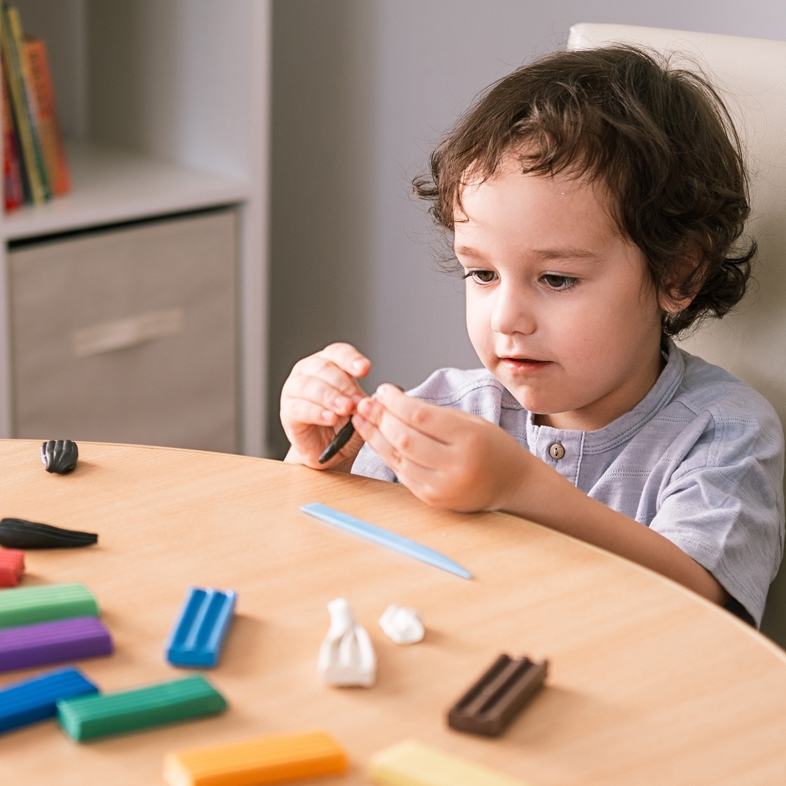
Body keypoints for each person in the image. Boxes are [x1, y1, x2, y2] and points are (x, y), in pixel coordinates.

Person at [280, 45, 784, 627]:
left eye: (556, 278)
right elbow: (328, 564)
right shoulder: (444, 410)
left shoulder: (721, 433)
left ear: (680, 273)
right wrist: (320, 461)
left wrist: (520, 488)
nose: (506, 319)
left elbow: (704, 608)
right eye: (483, 274)